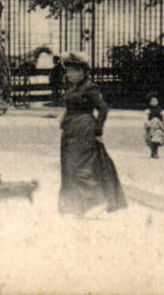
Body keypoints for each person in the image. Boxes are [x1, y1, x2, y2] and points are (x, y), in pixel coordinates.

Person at [56, 54, 127, 217]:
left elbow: (103, 109)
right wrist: (63, 117)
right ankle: (77, 206)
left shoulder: (90, 87)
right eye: (67, 71)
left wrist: (98, 131)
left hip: (84, 129)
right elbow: (70, 106)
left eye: (71, 71)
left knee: (81, 166)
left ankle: (97, 202)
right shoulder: (73, 88)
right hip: (70, 130)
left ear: (81, 72)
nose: (68, 74)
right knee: (69, 166)